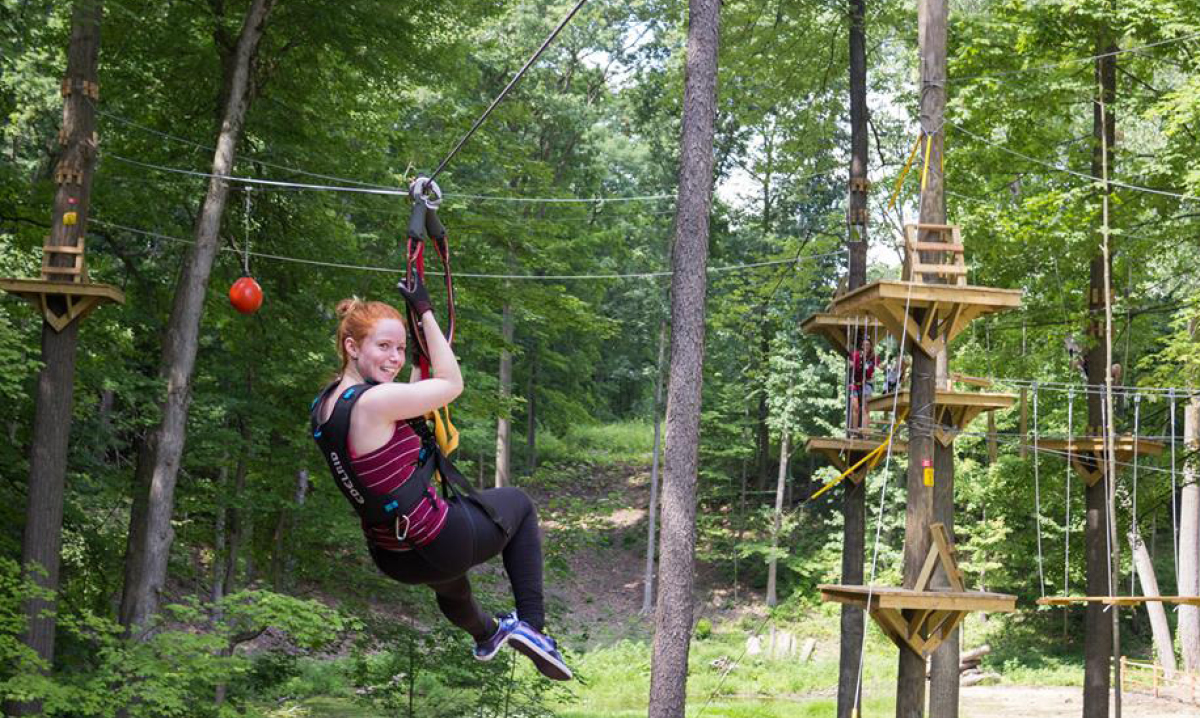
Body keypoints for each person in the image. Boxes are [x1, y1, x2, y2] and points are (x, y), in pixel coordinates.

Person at [310, 276, 571, 681]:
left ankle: (488, 635)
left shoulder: (325, 408)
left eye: (399, 348)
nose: (394, 358)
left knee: (451, 586)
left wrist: (417, 358)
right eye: (383, 347)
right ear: (352, 347)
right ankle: (534, 629)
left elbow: (401, 421)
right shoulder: (375, 401)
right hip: (439, 538)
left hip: (394, 556)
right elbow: (452, 385)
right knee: (518, 505)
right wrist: (426, 313)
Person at [848, 336, 876, 437]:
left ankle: (865, 433)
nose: (866, 347)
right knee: (855, 407)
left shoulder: (873, 357)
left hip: (867, 384)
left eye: (868, 345)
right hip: (855, 384)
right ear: (861, 346)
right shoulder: (856, 355)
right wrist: (850, 364)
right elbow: (850, 363)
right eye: (864, 345)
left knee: (866, 408)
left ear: (871, 346)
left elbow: (880, 366)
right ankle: (854, 432)